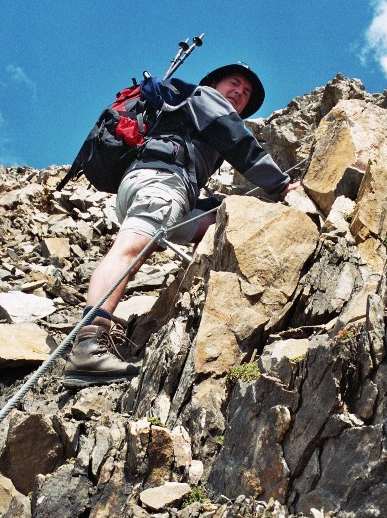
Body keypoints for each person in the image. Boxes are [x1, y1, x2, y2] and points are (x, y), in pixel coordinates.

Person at [64, 62, 300, 388]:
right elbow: (240, 144)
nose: (239, 94)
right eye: (234, 84)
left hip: (154, 188)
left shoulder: (186, 109)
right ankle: (88, 347)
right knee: (129, 252)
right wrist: (281, 186)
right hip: (161, 184)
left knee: (223, 217)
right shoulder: (206, 98)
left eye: (245, 93)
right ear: (215, 83)